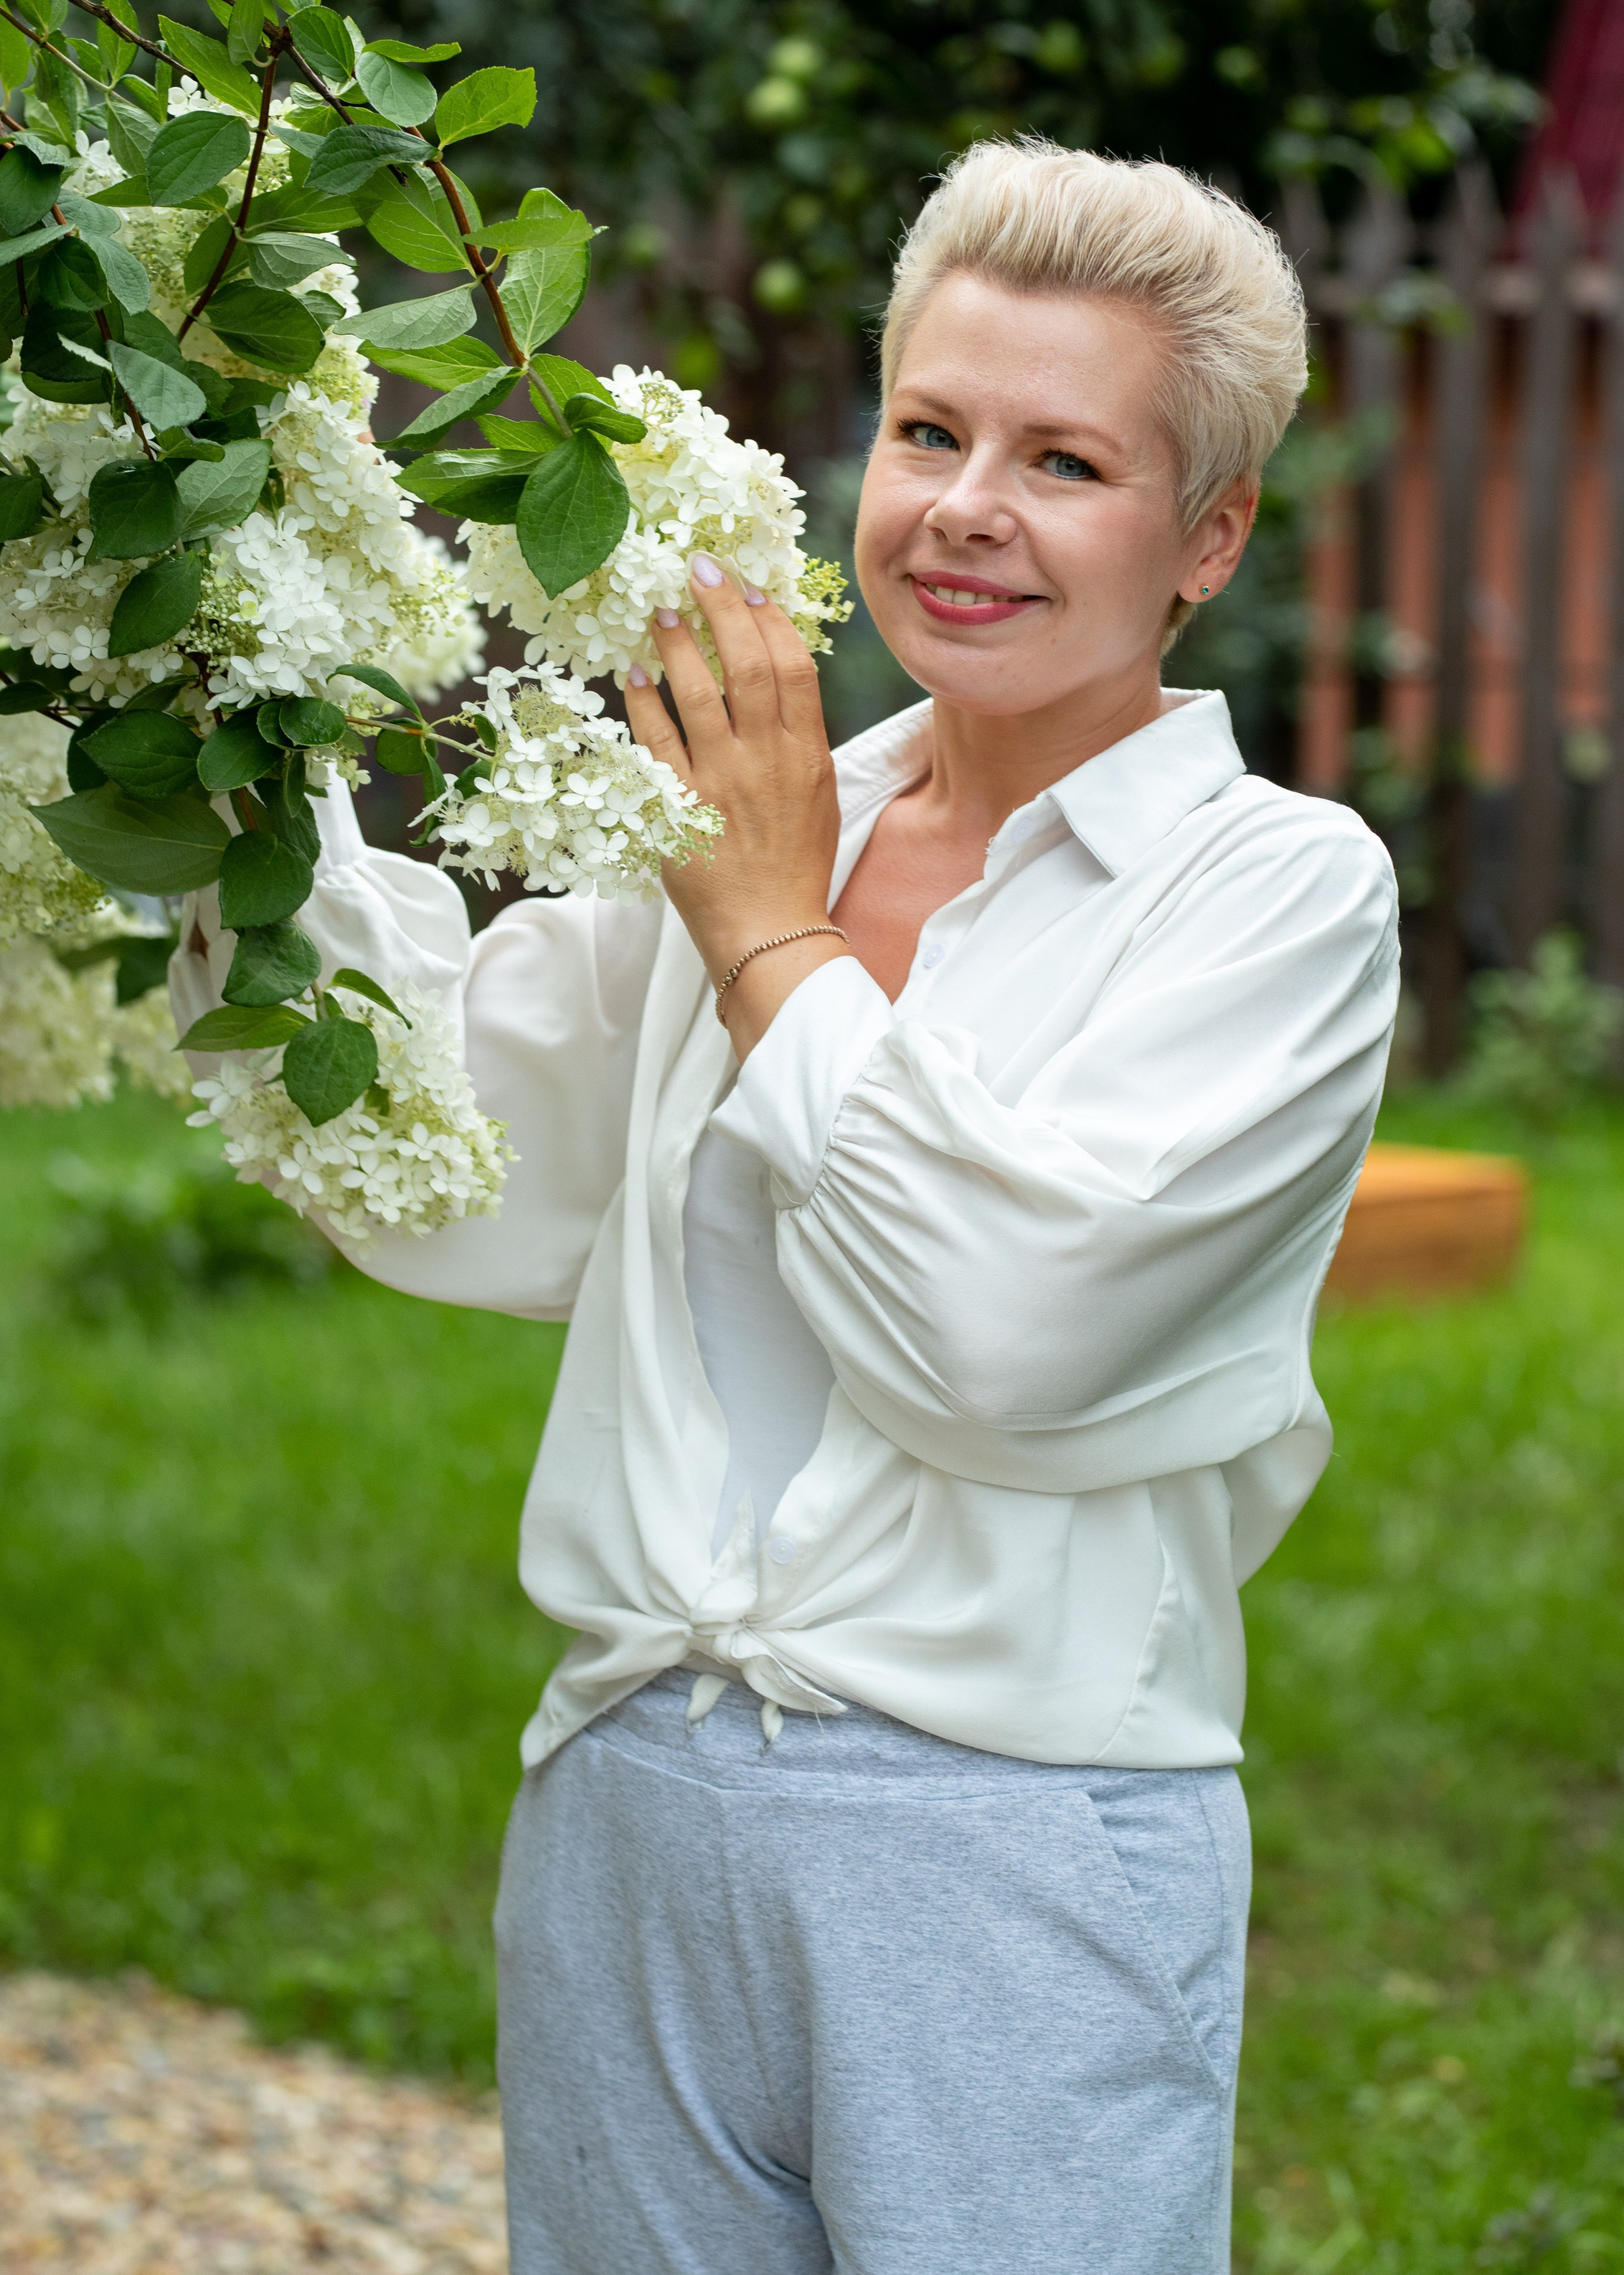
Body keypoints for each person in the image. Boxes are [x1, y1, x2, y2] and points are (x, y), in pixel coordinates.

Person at [176, 138, 1399, 2274]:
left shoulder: (1276, 898)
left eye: (1065, 463)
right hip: (631, 1793)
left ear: (1209, 536)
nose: (965, 509)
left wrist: (762, 930)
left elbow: (1004, 1341)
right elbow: (453, 1165)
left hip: (1013, 1845)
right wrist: (217, 720)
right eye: (929, 431)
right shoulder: (771, 813)